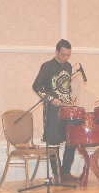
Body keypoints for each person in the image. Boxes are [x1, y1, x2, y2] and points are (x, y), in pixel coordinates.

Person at [32, 39, 78, 182]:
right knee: (54, 142)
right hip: (53, 110)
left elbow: (67, 87)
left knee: (72, 140)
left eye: (68, 55)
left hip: (67, 109)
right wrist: (51, 99)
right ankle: (56, 173)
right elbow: (36, 86)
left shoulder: (69, 66)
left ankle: (65, 171)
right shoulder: (47, 66)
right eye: (63, 54)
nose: (66, 58)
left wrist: (70, 100)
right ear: (56, 52)